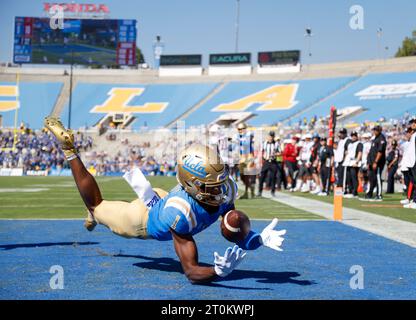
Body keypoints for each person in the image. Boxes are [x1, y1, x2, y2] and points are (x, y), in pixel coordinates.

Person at [43, 117, 287, 283]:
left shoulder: (222, 189)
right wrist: (217, 272)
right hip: (143, 218)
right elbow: (191, 272)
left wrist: (254, 239)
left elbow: (231, 224)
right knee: (96, 205)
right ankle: (69, 149)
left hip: (162, 197)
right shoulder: (179, 214)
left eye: (221, 183)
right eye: (213, 187)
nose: (222, 191)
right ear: (193, 184)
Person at [362, 125, 387, 201]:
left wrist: (376, 162)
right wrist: (368, 162)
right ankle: (370, 193)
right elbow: (371, 151)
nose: (374, 131)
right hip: (371, 162)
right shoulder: (375, 138)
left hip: (378, 163)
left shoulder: (381, 138)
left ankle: (379, 195)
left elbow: (380, 152)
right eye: (374, 130)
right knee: (371, 178)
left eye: (376, 130)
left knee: (378, 178)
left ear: (380, 130)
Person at [236, 122, 256, 199]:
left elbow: (250, 138)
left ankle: (247, 193)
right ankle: (251, 189)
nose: (240, 130)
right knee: (241, 176)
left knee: (247, 175)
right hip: (242, 158)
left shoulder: (248, 135)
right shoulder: (239, 136)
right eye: (239, 129)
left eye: (241, 129)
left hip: (249, 156)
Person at [258, 131, 279, 197]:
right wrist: (260, 161)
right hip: (266, 162)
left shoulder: (276, 144)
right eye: (270, 136)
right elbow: (261, 152)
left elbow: (280, 152)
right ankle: (260, 191)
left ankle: (273, 191)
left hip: (273, 162)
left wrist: (275, 154)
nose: (271, 138)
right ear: (268, 136)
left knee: (273, 177)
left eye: (272, 136)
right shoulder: (264, 143)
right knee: (262, 177)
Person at [343, 131, 363, 198]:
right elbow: (346, 151)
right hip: (348, 161)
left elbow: (360, 153)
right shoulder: (349, 143)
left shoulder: (359, 143)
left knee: (354, 177)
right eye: (352, 135)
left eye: (354, 135)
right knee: (348, 177)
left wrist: (357, 161)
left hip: (354, 161)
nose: (353, 137)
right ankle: (350, 190)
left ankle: (355, 192)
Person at [334, 128, 351, 193]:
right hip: (339, 161)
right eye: (340, 133)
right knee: (339, 177)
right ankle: (339, 191)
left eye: (342, 133)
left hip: (343, 161)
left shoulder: (347, 140)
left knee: (343, 177)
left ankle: (343, 190)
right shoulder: (340, 141)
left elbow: (347, 151)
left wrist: (344, 159)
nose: (340, 135)